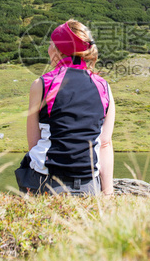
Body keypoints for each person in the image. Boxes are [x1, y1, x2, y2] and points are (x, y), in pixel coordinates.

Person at [16, 19, 115, 196]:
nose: (48, 49)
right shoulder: (104, 87)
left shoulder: (42, 84)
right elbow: (105, 144)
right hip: (89, 185)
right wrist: (107, 194)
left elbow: (34, 144)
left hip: (45, 182)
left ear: (59, 50)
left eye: (50, 45)